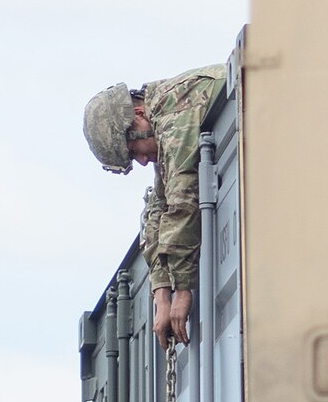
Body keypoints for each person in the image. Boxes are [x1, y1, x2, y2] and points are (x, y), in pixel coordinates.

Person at [82, 66, 225, 347]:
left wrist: (183, 289)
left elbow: (183, 196)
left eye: (135, 151)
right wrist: (161, 292)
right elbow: (158, 209)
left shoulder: (175, 109)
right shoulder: (161, 118)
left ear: (138, 115)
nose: (145, 161)